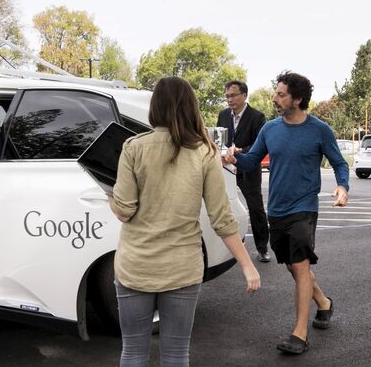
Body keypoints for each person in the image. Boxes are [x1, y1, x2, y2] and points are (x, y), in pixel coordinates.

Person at [108, 76, 261, 367]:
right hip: (183, 267)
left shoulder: (133, 147)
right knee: (177, 355)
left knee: (132, 352)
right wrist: (247, 264)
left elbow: (124, 211)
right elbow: (222, 218)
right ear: (191, 107)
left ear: (156, 107)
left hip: (134, 266)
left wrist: (109, 196)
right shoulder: (205, 152)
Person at [225, 71, 349, 355]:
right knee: (294, 266)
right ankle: (324, 303)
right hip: (277, 209)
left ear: (298, 99)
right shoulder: (270, 129)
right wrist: (234, 157)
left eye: (281, 94)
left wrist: (342, 187)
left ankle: (300, 333)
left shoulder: (320, 130)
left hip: (304, 208)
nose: (275, 98)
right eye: (276, 93)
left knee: (301, 265)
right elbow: (251, 160)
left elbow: (340, 164)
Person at [217, 80, 271, 262]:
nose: (229, 99)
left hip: (248, 168)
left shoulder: (257, 117)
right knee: (221, 207)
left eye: (233, 95)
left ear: (244, 95)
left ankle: (262, 248)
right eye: (227, 96)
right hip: (226, 168)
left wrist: (240, 152)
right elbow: (219, 140)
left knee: (255, 208)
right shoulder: (223, 115)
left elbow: (260, 146)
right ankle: (224, 247)